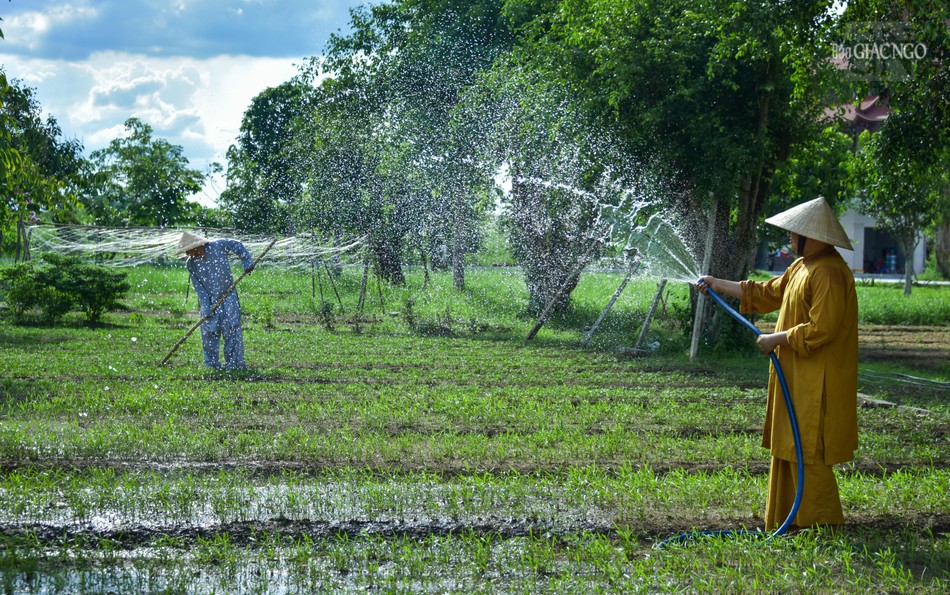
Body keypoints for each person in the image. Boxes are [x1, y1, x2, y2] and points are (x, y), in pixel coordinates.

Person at [698, 196, 858, 531]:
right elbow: (767, 293)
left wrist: (777, 339)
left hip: (817, 382)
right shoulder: (802, 267)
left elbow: (822, 329)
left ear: (810, 236)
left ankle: (822, 526)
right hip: (796, 376)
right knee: (789, 444)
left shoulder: (829, 272)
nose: (789, 236)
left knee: (808, 449)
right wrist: (717, 284)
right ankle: (790, 521)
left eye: (794, 232)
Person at [176, 232, 255, 369]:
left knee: (231, 328)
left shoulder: (218, 245)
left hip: (228, 294)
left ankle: (234, 364)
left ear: (195, 246)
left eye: (188, 250)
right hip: (209, 300)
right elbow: (200, 288)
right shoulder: (191, 264)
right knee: (208, 331)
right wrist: (207, 307)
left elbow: (238, 246)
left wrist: (247, 263)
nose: (187, 254)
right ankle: (212, 364)